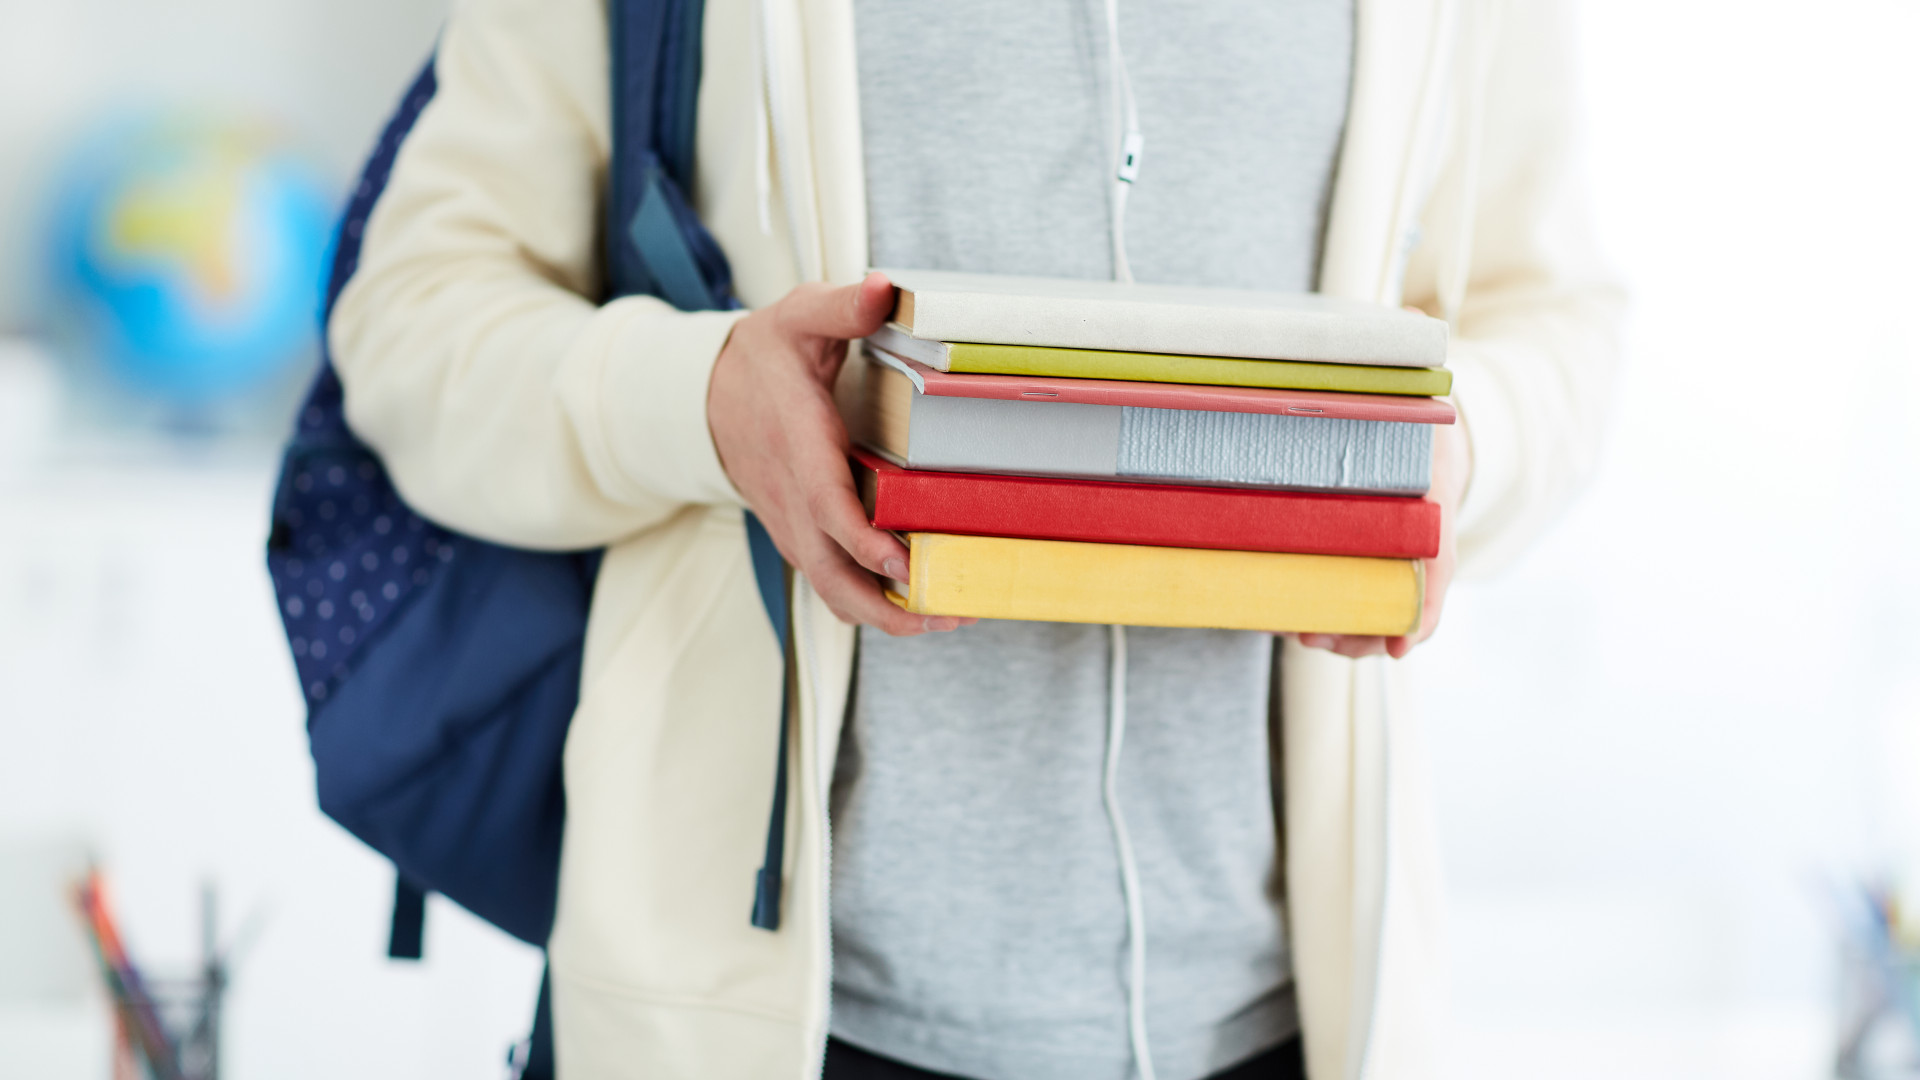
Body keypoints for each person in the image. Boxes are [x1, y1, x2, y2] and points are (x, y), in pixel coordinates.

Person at [329, 0, 1621, 1076]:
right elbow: (415, 320)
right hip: (776, 1019)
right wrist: (704, 398)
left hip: (1291, 1019)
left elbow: (1552, 320)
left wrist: (1458, 452)